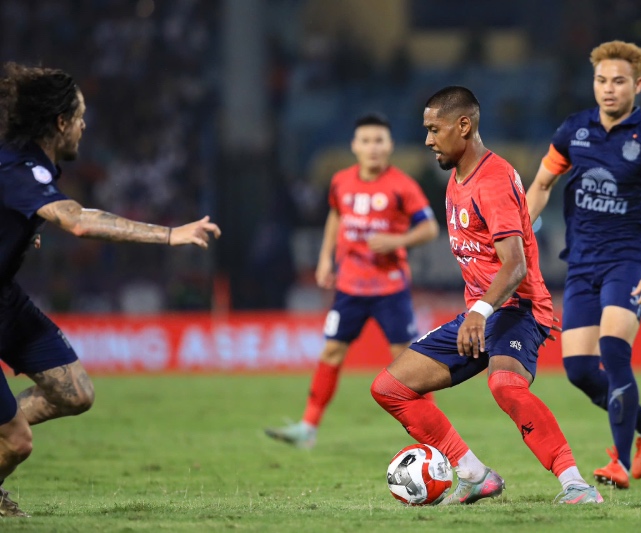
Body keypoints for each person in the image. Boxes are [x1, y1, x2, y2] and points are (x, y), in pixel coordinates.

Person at [0, 62, 221, 517]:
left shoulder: (25, 164)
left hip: (6, 300)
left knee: (75, 393)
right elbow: (79, 222)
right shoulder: (20, 169)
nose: (84, 126)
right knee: (17, 441)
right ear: (60, 123)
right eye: (80, 117)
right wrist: (170, 234)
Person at [370, 86, 603, 505]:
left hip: (519, 308)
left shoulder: (491, 180)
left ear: (464, 125)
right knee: (391, 388)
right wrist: (477, 313)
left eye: (433, 129)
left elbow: (516, 266)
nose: (427, 140)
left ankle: (576, 485)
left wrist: (478, 311)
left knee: (505, 385)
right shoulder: (459, 178)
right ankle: (473, 474)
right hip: (483, 312)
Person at [525, 41, 641, 489]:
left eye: (619, 81)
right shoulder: (574, 131)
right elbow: (542, 183)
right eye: (601, 80)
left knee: (614, 351)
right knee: (579, 370)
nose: (609, 89)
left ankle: (618, 460)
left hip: (629, 261)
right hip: (581, 264)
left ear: (637, 85)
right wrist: (518, 232)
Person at [265, 113, 439, 449]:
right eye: (366, 141)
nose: (373, 147)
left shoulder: (403, 185)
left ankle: (432, 435)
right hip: (350, 287)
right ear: (354, 146)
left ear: (389, 146)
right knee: (331, 351)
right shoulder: (341, 182)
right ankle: (308, 427)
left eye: (379, 141)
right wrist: (325, 258)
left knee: (409, 364)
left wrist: (396, 242)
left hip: (390, 288)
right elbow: (336, 215)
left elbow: (429, 228)